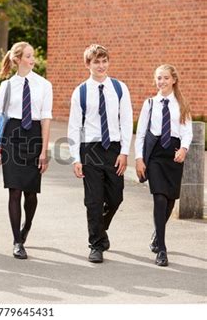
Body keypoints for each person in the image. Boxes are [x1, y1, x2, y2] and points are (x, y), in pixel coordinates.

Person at [67, 44, 133, 263]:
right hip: (91, 149)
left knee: (116, 197)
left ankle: (99, 229)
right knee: (93, 200)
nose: (101, 65)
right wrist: (76, 158)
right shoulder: (81, 91)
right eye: (96, 62)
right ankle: (96, 245)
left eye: (104, 61)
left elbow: (125, 122)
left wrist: (124, 153)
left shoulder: (120, 88)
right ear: (88, 64)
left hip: (113, 148)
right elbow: (74, 126)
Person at [0, 42, 52, 259]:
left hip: (33, 135)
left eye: (33, 55)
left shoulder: (44, 85)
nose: (32, 59)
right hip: (12, 136)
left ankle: (27, 226)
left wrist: (44, 150)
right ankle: (17, 240)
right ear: (17, 60)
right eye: (28, 56)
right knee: (14, 190)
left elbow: (45, 118)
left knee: (31, 192)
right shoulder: (7, 86)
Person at [135, 64, 192, 267]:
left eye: (166, 78)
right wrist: (139, 158)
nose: (162, 81)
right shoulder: (150, 103)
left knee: (169, 201)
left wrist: (184, 148)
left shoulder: (181, 104)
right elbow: (141, 133)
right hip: (156, 156)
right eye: (159, 78)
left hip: (174, 155)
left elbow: (187, 131)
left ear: (173, 80)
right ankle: (162, 248)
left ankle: (156, 235)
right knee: (159, 198)